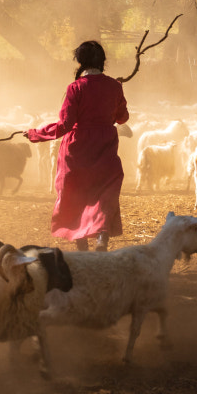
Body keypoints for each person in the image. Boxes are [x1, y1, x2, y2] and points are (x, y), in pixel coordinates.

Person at [27, 40, 129, 251]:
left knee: (75, 192)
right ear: (103, 61)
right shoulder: (114, 86)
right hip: (105, 146)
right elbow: (122, 118)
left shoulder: (75, 88)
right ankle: (102, 236)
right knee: (104, 191)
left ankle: (80, 241)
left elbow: (65, 124)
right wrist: (115, 96)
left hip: (77, 148)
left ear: (80, 62)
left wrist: (35, 133)